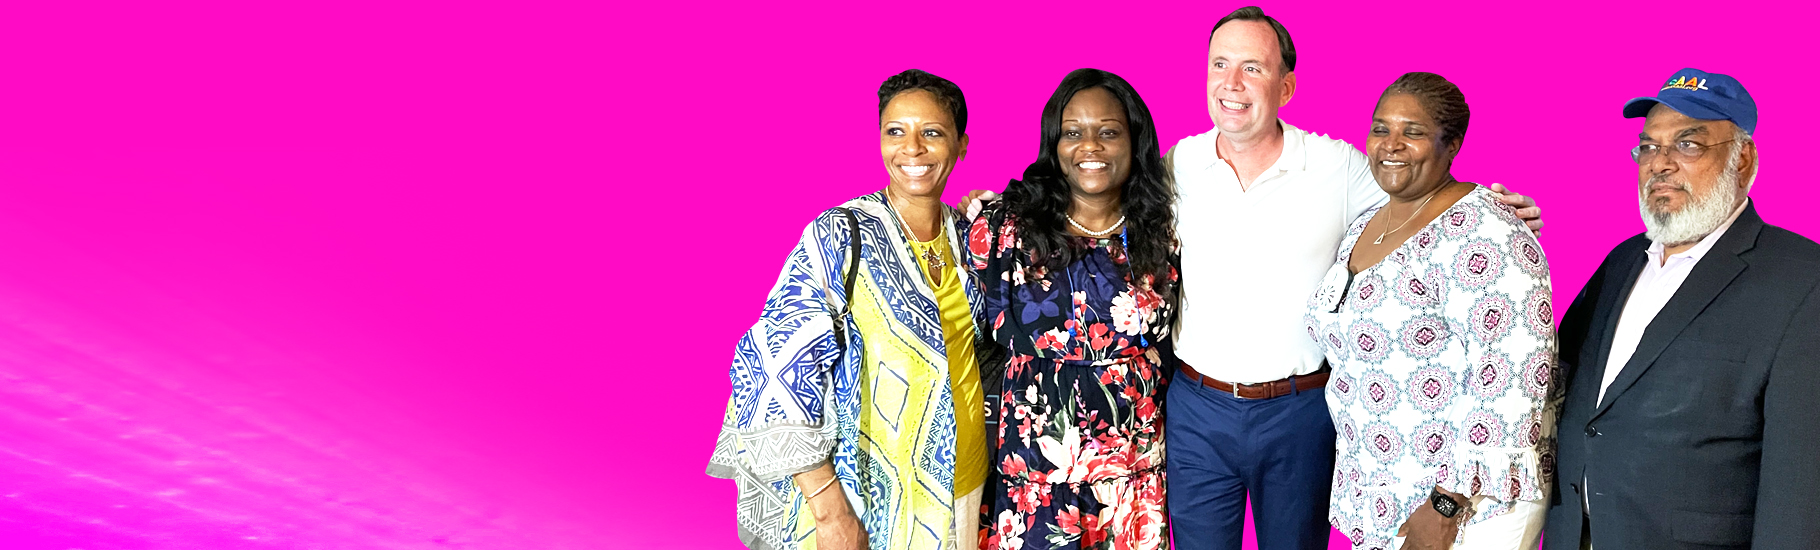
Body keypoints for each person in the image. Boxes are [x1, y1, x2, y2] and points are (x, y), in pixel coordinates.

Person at [1155, 8, 1546, 550]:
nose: (1232, 83)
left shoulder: (1338, 167)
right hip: (1198, 408)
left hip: (1297, 411)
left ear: (1286, 87)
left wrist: (1493, 209)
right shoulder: (1177, 164)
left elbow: (1418, 192)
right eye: (1220, 64)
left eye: (1253, 67)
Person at [707, 69, 995, 550]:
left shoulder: (971, 238)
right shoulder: (841, 234)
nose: (912, 149)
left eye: (932, 133)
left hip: (966, 486)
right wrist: (830, 511)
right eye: (895, 131)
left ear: (961, 145)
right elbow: (771, 366)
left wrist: (1000, 218)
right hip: (865, 500)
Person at [1543, 68, 1820, 550]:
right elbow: (1558, 381)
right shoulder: (1623, 261)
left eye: (1687, 145)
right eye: (1648, 146)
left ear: (1742, 160)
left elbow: (1801, 484)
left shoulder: (1801, 279)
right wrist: (1506, 242)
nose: (1660, 164)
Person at [1305, 72, 1554, 550]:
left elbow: (1515, 375)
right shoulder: (1365, 225)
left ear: (1451, 144)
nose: (1391, 145)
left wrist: (1445, 506)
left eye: (1413, 132)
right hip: (1381, 489)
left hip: (1461, 508)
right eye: (1381, 129)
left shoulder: (1487, 231)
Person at [969, 68, 1176, 550]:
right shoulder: (1005, 229)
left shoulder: (1164, 231)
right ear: (1054, 143)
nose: (1091, 146)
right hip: (1034, 481)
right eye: (1073, 132)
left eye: (1109, 132)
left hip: (1134, 479)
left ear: (1135, 141)